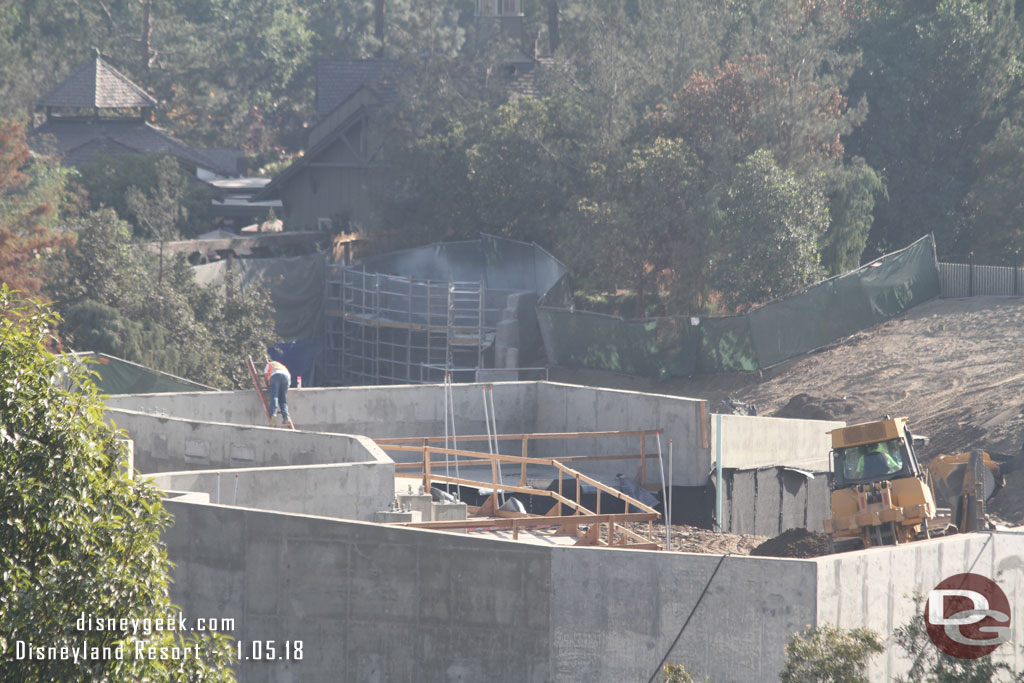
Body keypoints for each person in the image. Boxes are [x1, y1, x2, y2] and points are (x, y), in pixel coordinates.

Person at [263, 357, 291, 426]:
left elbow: (266, 377)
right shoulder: (281, 365)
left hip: (276, 375)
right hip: (287, 378)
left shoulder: (269, 364)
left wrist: (268, 385)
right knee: (283, 399)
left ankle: (273, 414)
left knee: (274, 396)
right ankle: (286, 417)